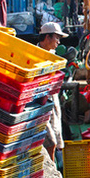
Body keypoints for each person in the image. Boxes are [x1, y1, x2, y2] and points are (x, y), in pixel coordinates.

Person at [37, 22, 69, 164]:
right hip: (40, 102)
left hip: (52, 100)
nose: (58, 42)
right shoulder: (35, 54)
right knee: (50, 141)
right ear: (48, 37)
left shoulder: (53, 55)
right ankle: (51, 170)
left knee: (56, 135)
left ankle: (56, 168)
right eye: (56, 38)